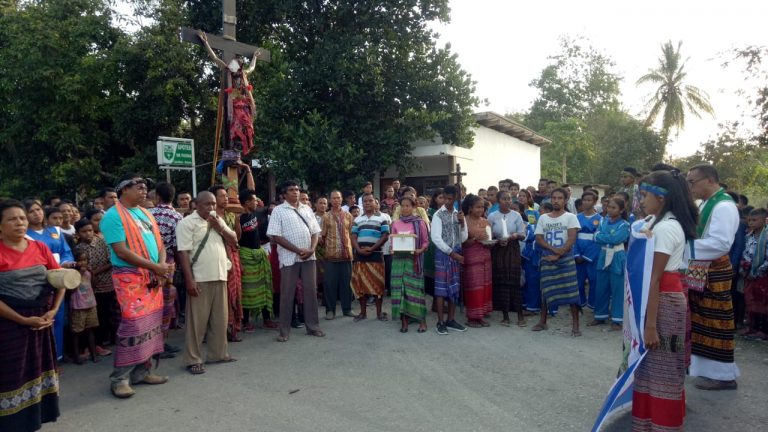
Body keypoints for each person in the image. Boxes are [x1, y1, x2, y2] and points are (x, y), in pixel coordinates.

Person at [632, 170, 698, 431]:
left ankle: (663, 424)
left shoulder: (666, 228)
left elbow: (654, 278)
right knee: (653, 368)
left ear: (661, 198)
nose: (641, 201)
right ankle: (650, 422)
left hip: (663, 304)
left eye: (645, 195)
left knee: (663, 370)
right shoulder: (660, 224)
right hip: (663, 300)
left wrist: (650, 326)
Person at [101, 175, 172, 398]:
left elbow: (160, 244)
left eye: (146, 188)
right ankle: (119, 378)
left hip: (152, 276)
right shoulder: (113, 216)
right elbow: (121, 251)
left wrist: (160, 265)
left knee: (151, 324)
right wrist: (155, 266)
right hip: (130, 278)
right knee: (133, 326)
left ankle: (142, 371)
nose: (145, 191)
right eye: (139, 188)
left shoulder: (145, 213)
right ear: (124, 190)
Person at [0, 200, 64, 432]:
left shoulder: (39, 247)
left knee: (37, 371)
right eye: (11, 219)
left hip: (42, 321)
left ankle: (33, 420)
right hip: (10, 325)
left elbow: (60, 280)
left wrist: (53, 310)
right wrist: (23, 320)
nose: (19, 222)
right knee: (11, 375)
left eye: (22, 218)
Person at [685, 164, 740, 390]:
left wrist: (685, 247)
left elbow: (720, 243)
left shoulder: (724, 206)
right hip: (701, 268)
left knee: (716, 321)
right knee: (701, 320)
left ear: (709, 180)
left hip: (714, 270)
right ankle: (706, 369)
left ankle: (723, 375)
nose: (690, 187)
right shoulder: (706, 203)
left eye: (692, 182)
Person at [177, 191, 238, 375]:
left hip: (220, 275)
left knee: (220, 319)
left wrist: (220, 227)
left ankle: (218, 354)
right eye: (207, 204)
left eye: (213, 204)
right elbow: (183, 253)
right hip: (200, 278)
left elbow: (234, 240)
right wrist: (189, 280)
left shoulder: (217, 220)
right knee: (197, 323)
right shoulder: (187, 223)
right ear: (196, 204)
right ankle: (193, 359)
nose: (211, 207)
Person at [267, 180, 325, 342]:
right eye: (291, 190)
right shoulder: (278, 211)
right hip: (289, 258)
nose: (295, 192)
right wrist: (297, 250)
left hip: (309, 257)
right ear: (284, 194)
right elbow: (276, 236)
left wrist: (312, 249)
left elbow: (315, 232)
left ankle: (313, 327)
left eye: (297, 189)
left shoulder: (307, 209)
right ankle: (284, 331)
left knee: (311, 292)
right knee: (287, 294)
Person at [532, 188, 582, 336]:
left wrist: (560, 253)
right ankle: (543, 321)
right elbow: (539, 238)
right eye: (553, 198)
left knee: (572, 291)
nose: (556, 200)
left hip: (565, 258)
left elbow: (572, 238)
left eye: (560, 198)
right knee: (545, 291)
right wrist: (553, 250)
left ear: (565, 200)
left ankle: (575, 325)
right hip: (548, 257)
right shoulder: (543, 218)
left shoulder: (571, 217)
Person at [148, 182, 183, 358]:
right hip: (167, 265)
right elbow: (178, 247)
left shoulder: (147, 215)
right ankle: (160, 344)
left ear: (157, 197)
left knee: (151, 305)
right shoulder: (177, 217)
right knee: (166, 305)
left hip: (146, 264)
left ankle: (153, 344)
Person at [431, 185, 468, 335]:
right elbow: (436, 238)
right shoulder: (438, 215)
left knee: (454, 287)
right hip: (444, 255)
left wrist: (463, 223)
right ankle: (440, 321)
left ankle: (451, 319)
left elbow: (463, 237)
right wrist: (452, 253)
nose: (446, 201)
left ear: (455, 198)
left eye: (450, 199)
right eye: (444, 198)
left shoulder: (459, 214)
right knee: (441, 290)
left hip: (456, 252)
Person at [73, 219, 114, 354]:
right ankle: (89, 346)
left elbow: (111, 261)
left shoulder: (102, 242)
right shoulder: (78, 248)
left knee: (103, 314)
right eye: (84, 232)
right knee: (90, 319)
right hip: (88, 289)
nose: (88, 234)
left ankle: (99, 344)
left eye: (90, 230)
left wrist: (94, 272)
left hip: (105, 283)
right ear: (78, 233)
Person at [390, 196, 430, 333]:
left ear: (413, 208)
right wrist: (392, 248)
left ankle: (422, 321)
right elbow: (392, 242)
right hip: (398, 261)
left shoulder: (420, 223)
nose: (405, 208)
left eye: (408, 206)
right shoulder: (395, 223)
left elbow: (425, 241)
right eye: (403, 205)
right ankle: (404, 321)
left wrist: (421, 249)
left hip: (413, 260)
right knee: (400, 290)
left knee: (415, 290)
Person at [210, 185, 244, 342]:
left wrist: (237, 221)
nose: (226, 198)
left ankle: (232, 328)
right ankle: (217, 330)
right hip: (216, 257)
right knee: (220, 293)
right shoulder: (209, 217)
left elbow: (237, 237)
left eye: (226, 195)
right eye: (222, 196)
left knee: (234, 291)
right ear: (213, 199)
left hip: (232, 254)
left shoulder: (231, 215)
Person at [238, 189, 276, 332]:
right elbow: (237, 239)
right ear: (247, 202)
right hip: (245, 256)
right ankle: (246, 321)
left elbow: (251, 186)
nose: (257, 202)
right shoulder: (238, 218)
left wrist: (248, 170)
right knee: (248, 290)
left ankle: (267, 319)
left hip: (260, 254)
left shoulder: (258, 213)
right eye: (254, 200)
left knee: (265, 286)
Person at [488, 190, 527, 327]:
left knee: (514, 281)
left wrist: (514, 236)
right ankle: (505, 315)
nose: (508, 201)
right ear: (498, 201)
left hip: (513, 249)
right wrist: (497, 240)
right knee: (502, 281)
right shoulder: (492, 216)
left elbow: (523, 234)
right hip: (499, 250)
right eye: (504, 199)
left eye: (509, 198)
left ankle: (520, 315)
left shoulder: (516, 215)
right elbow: (489, 234)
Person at [590, 197, 630, 330]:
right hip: (603, 255)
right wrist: (608, 238)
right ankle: (600, 316)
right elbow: (595, 237)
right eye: (608, 207)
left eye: (614, 208)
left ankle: (617, 319)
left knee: (617, 288)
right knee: (601, 286)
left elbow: (618, 238)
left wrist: (604, 237)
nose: (610, 210)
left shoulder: (624, 225)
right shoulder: (603, 221)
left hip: (617, 256)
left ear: (621, 210)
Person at [350, 194, 390, 321]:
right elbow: (353, 236)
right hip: (360, 256)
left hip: (376, 255)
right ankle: (363, 313)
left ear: (375, 202)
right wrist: (358, 249)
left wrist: (371, 249)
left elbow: (385, 236)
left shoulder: (382, 218)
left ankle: (379, 313)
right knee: (360, 284)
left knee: (378, 285)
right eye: (365, 201)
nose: (367, 203)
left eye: (370, 201)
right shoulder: (357, 220)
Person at [321, 191, 355, 319]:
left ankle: (347, 309)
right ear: (330, 200)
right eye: (334, 198)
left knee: (347, 284)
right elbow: (322, 236)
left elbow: (352, 235)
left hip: (346, 256)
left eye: (338, 198)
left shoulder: (348, 216)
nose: (336, 200)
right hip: (331, 256)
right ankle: (330, 310)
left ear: (342, 200)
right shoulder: (326, 216)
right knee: (330, 284)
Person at [461, 194, 494, 328]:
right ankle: (472, 317)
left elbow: (489, 239)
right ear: (470, 208)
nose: (480, 210)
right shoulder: (464, 221)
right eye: (477, 207)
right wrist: (475, 239)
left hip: (485, 256)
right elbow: (462, 243)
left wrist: (490, 242)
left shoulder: (485, 221)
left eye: (482, 207)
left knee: (485, 285)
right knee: (474, 286)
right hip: (471, 257)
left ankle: (481, 315)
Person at [739, 208, 768, 338]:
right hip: (748, 273)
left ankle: (763, 330)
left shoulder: (766, 236)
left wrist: (756, 271)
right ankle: (751, 327)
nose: (751, 223)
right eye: (749, 220)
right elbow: (745, 252)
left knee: (762, 303)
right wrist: (744, 267)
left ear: (764, 220)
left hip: (762, 275)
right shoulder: (748, 236)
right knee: (750, 301)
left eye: (755, 220)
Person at [70, 249, 101, 364]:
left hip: (91, 304)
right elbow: (71, 288)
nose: (83, 263)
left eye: (85, 260)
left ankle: (94, 354)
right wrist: (79, 273)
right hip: (78, 306)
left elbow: (93, 285)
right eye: (80, 261)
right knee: (77, 332)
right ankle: (76, 356)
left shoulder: (89, 272)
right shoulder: (73, 273)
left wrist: (92, 273)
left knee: (90, 330)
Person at [574, 191, 602, 309]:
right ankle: (579, 303)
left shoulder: (600, 219)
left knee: (594, 279)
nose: (586, 202)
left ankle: (593, 304)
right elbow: (572, 236)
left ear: (595, 202)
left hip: (593, 255)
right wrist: (576, 254)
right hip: (578, 252)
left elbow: (599, 240)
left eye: (589, 200)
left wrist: (587, 255)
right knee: (578, 281)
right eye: (584, 200)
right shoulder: (576, 217)